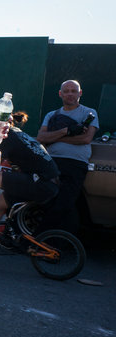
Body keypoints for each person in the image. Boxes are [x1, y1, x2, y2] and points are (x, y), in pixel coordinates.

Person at [36, 80, 98, 233]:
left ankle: (39, 239)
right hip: (51, 163)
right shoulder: (52, 115)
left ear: (80, 93)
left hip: (75, 165)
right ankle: (53, 243)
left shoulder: (89, 113)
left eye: (73, 91)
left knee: (64, 203)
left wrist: (55, 137)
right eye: (67, 91)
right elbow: (40, 138)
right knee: (48, 201)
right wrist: (65, 131)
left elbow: (85, 139)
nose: (70, 94)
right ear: (60, 94)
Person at [0, 111, 60, 228]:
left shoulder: (6, 137)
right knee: (1, 203)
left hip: (42, 182)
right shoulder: (17, 133)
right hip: (49, 184)